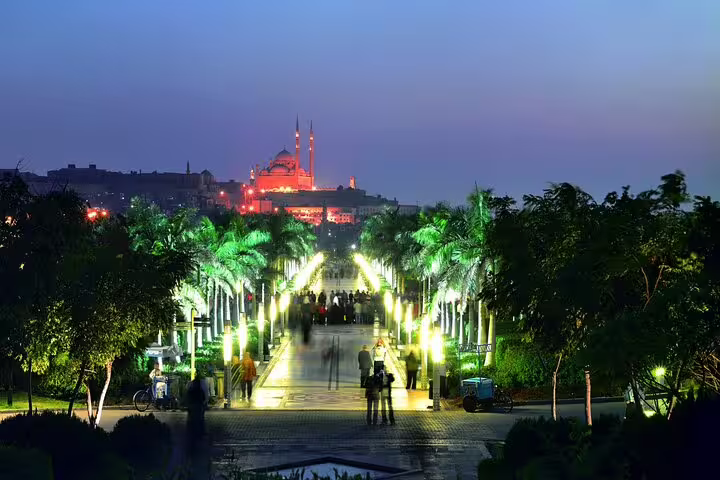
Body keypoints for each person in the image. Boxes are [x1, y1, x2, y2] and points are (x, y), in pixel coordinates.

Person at [185, 375, 206, 454]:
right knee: (199, 423)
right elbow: (203, 399)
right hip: (197, 410)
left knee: (192, 425)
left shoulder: (190, 391)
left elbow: (187, 400)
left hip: (192, 411)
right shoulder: (200, 391)